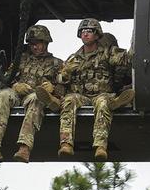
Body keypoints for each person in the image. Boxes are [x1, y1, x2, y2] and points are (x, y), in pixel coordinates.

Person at [38, 18, 134, 161]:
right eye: (82, 31)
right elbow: (59, 80)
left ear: (97, 35)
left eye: (89, 31)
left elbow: (126, 59)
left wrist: (134, 44)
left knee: (103, 103)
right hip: (81, 96)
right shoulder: (74, 58)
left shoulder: (107, 53)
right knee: (69, 100)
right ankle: (66, 144)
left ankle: (100, 146)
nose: (85, 34)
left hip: (102, 94)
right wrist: (66, 73)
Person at [0, 25, 63, 163]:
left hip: (35, 96)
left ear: (45, 43)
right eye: (31, 44)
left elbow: (65, 88)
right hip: (15, 94)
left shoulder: (57, 64)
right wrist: (15, 85)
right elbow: (4, 79)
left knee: (36, 99)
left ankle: (24, 147)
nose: (34, 47)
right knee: (2, 96)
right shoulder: (21, 60)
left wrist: (53, 88)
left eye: (37, 43)